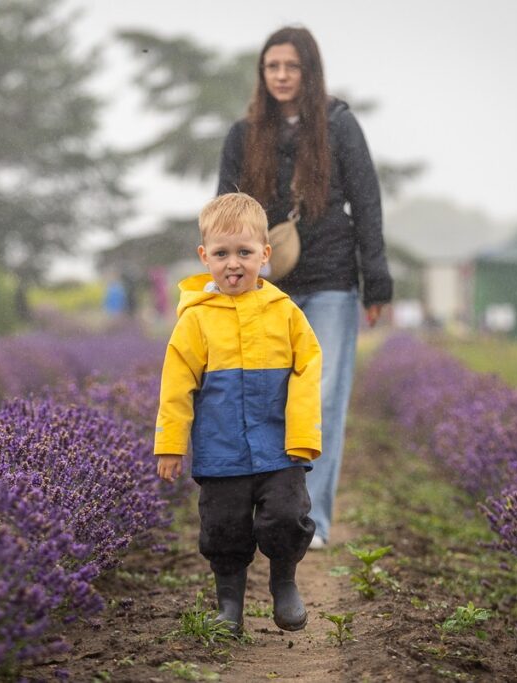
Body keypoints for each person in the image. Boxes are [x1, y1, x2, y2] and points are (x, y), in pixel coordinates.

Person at [217, 26, 393, 549]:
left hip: (333, 280)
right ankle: (271, 510)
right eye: (272, 67)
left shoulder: (339, 126)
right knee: (266, 396)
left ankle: (310, 522)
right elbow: (223, 212)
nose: (282, 76)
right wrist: (226, 274)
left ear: (309, 71)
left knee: (323, 396)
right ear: (262, 72)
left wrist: (376, 279)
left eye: (292, 66)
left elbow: (367, 202)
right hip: (266, 285)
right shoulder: (242, 134)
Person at [155, 193, 323, 635]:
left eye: (245, 253)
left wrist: (303, 436)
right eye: (222, 253)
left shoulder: (285, 313)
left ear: (265, 256)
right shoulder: (194, 321)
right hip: (222, 450)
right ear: (203, 257)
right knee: (224, 530)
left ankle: (284, 581)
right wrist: (170, 446)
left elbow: (308, 368)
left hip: (280, 448)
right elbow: (176, 388)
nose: (234, 263)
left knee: (287, 517)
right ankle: (228, 603)